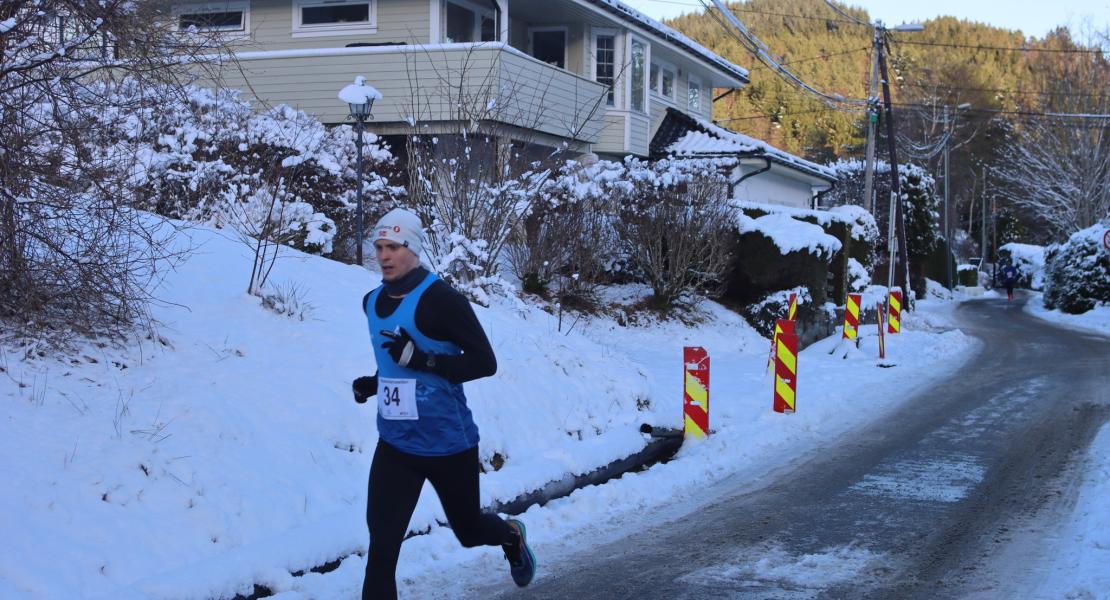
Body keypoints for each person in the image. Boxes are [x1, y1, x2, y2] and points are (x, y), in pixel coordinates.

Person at [351, 208, 536, 600]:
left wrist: (422, 360)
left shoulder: (442, 300)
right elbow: (393, 361)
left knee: (469, 532)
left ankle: (510, 536)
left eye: (394, 247)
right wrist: (373, 383)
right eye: (379, 247)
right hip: (396, 444)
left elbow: (485, 362)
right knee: (382, 546)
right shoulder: (371, 302)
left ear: (413, 249)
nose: (384, 256)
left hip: (448, 444)